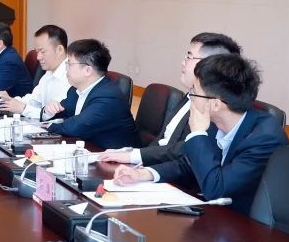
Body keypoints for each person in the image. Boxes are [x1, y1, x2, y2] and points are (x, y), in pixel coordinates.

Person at [113, 54, 287, 214]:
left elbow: (217, 189)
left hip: (243, 225)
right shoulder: (217, 121)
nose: (191, 98)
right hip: (214, 216)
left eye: (194, 92)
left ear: (216, 104)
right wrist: (144, 174)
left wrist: (197, 134)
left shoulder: (265, 139)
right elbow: (188, 164)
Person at [99, 32, 242, 166]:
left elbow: (184, 152)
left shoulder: (216, 107)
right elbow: (162, 142)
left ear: (209, 65)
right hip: (152, 166)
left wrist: (134, 157)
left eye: (189, 57)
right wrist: (131, 156)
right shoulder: (190, 94)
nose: (183, 63)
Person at [46, 38, 138, 148]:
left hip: (114, 156)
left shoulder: (108, 97)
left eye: (69, 64)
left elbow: (74, 127)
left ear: (87, 70)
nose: (66, 69)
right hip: (88, 148)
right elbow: (60, 113)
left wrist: (47, 126)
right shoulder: (75, 90)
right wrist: (48, 111)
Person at [0, 24, 71, 120]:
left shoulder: (71, 76)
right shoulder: (49, 73)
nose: (38, 57)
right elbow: (34, 100)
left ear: (59, 50)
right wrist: (10, 101)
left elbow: (54, 116)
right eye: (37, 52)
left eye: (42, 52)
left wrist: (23, 108)